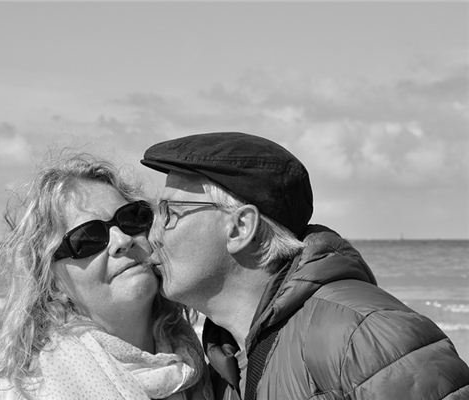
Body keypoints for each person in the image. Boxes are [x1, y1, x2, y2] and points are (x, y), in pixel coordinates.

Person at [140, 132, 469, 400]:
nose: (152, 235)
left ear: (240, 228)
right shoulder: (226, 361)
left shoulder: (363, 339)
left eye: (170, 213)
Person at [0, 152, 212, 400]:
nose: (122, 240)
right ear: (51, 282)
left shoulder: (208, 371)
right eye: (88, 238)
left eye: (130, 218)